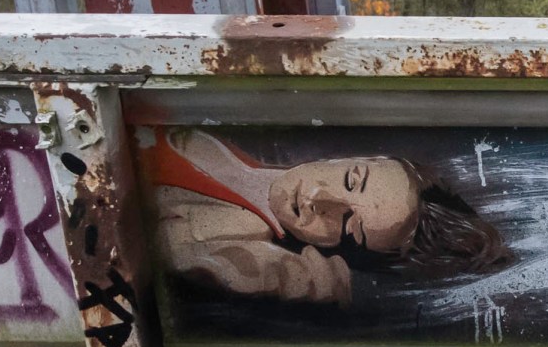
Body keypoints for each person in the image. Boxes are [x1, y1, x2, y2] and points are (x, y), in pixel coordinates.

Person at [143, 129, 508, 305]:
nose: (321, 199)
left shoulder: (244, 255)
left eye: (350, 227)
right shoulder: (236, 152)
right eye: (351, 179)